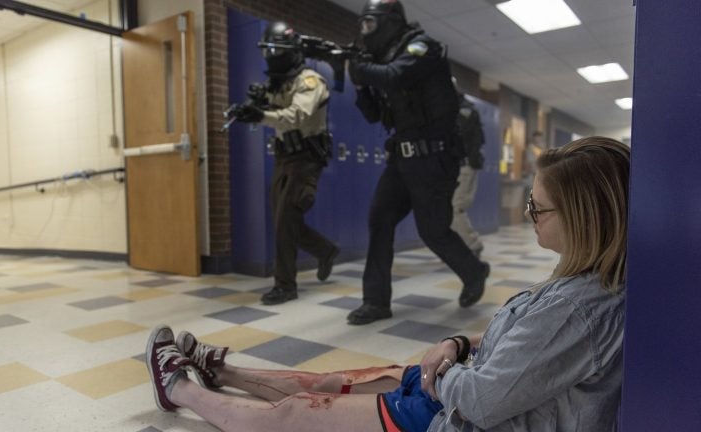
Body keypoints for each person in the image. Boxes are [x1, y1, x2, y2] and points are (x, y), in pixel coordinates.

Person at [145, 136, 630, 431]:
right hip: (462, 388)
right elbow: (528, 352)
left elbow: (483, 403)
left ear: (585, 219)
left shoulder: (579, 310)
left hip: (458, 418)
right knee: (335, 382)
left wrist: (438, 372)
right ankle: (224, 374)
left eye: (537, 208)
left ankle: (180, 390)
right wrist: (458, 341)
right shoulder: (583, 285)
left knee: (296, 415)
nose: (527, 215)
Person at [345, 0, 490, 324]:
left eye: (371, 24)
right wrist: (357, 82)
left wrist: (360, 68)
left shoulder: (423, 47)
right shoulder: (380, 62)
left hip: (435, 160)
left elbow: (397, 76)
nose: (366, 31)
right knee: (379, 221)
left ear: (390, 22)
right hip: (401, 159)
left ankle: (474, 271)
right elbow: (372, 114)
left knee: (433, 231)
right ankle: (376, 302)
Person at [232, 21, 340, 305]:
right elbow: (275, 106)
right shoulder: (281, 83)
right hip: (284, 156)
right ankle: (326, 251)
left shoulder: (310, 81)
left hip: (306, 158)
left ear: (290, 51)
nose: (270, 57)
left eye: (274, 51)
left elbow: (295, 116)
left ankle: (285, 286)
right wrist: (256, 103)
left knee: (285, 220)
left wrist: (259, 115)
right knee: (283, 220)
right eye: (266, 51)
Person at [451, 91, 486, 258]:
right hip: (452, 167)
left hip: (464, 166)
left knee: (455, 207)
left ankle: (473, 244)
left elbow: (460, 134)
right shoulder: (456, 107)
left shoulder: (464, 110)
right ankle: (458, 247)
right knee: (446, 209)